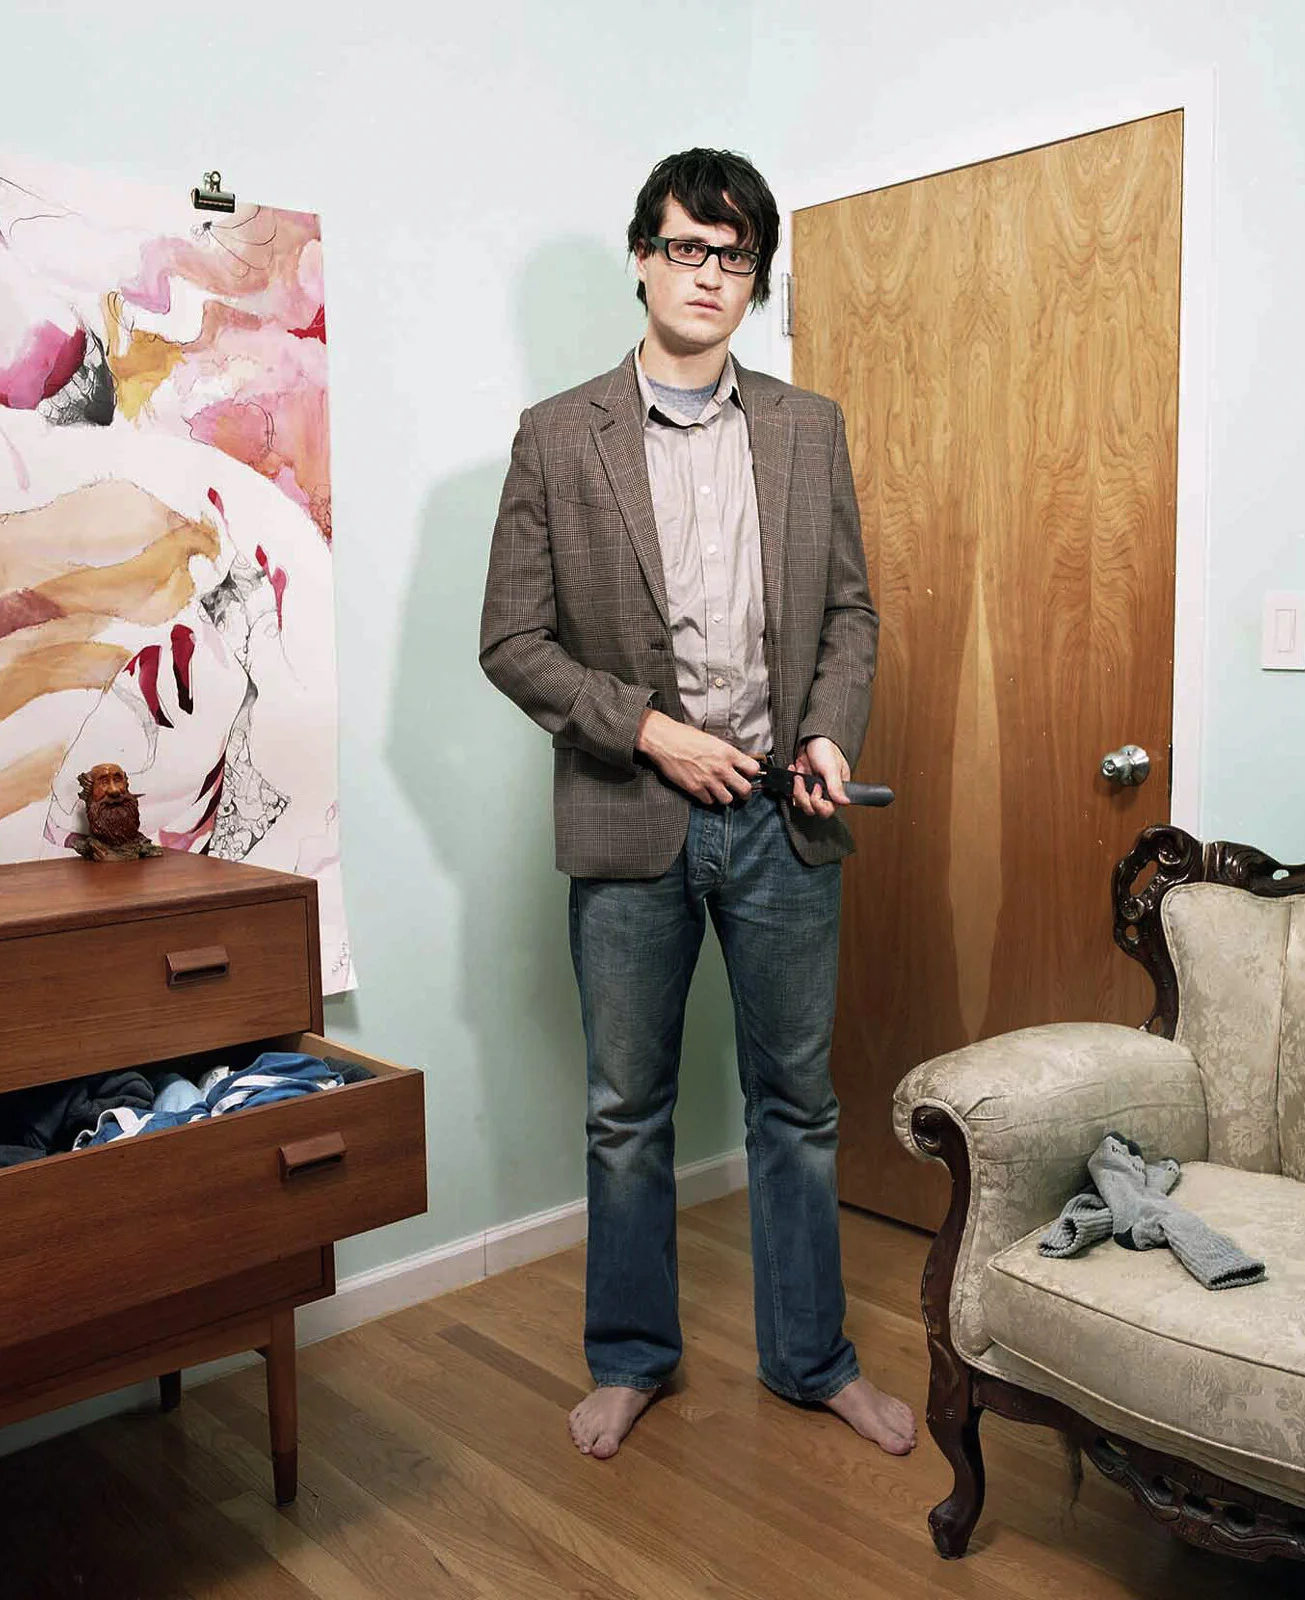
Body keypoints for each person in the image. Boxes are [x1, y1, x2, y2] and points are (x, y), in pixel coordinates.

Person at [480, 148, 914, 1462]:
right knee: (628, 1113)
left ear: (755, 280)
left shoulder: (807, 427)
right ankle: (631, 1360)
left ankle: (812, 1360)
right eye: (686, 248)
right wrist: (651, 733)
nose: (709, 275)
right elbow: (512, 641)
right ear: (643, 259)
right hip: (632, 817)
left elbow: (849, 614)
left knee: (799, 1107)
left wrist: (829, 733)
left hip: (786, 821)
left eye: (734, 257)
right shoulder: (559, 436)